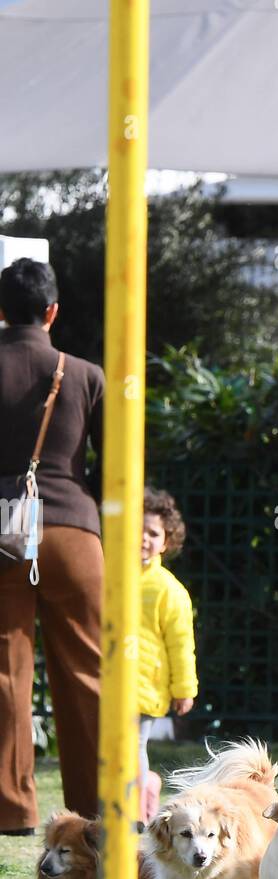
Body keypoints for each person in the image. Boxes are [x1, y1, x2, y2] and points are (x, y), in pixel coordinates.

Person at [0, 258, 104, 833]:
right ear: (53, 311)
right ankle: (94, 806)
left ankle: (11, 808)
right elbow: (116, 468)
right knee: (86, 669)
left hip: (2, 532)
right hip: (73, 530)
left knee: (6, 669)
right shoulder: (86, 374)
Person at [139, 486, 197, 822]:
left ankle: (135, 812)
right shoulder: (107, 575)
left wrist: (184, 689)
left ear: (166, 541)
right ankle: (146, 788)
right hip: (106, 683)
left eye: (153, 533)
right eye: (137, 530)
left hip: (144, 687)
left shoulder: (169, 590)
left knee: (133, 750)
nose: (144, 538)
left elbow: (180, 643)